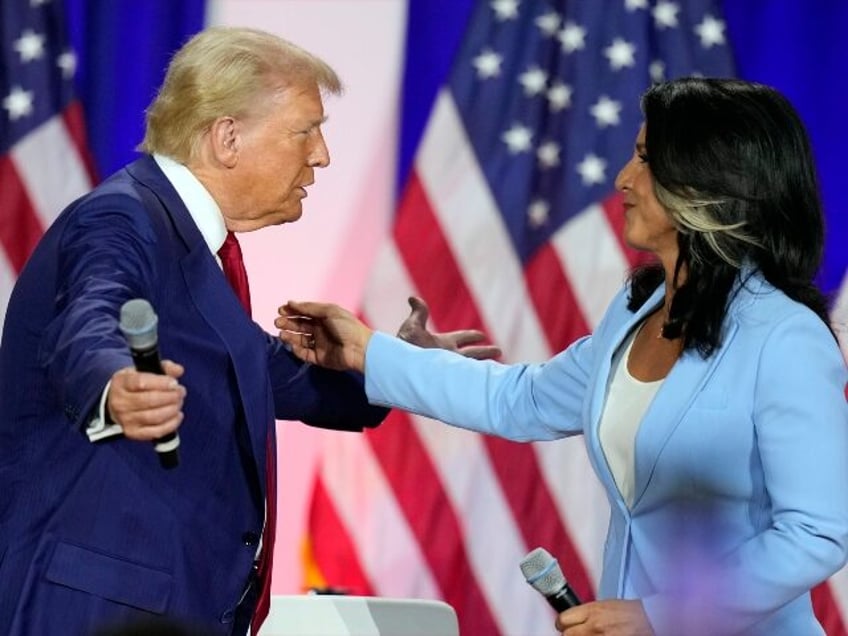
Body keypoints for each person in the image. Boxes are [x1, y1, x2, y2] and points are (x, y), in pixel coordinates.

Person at [276, 77, 848, 636]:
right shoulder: (637, 310)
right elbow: (519, 400)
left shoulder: (786, 339)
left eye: (646, 160)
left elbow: (818, 533)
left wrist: (658, 615)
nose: (624, 178)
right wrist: (368, 350)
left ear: (705, 182)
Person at [0, 27, 496, 636]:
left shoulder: (194, 246)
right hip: (96, 611)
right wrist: (114, 385)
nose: (321, 155)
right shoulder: (123, 217)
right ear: (228, 137)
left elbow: (262, 374)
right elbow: (91, 317)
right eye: (305, 130)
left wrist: (395, 363)